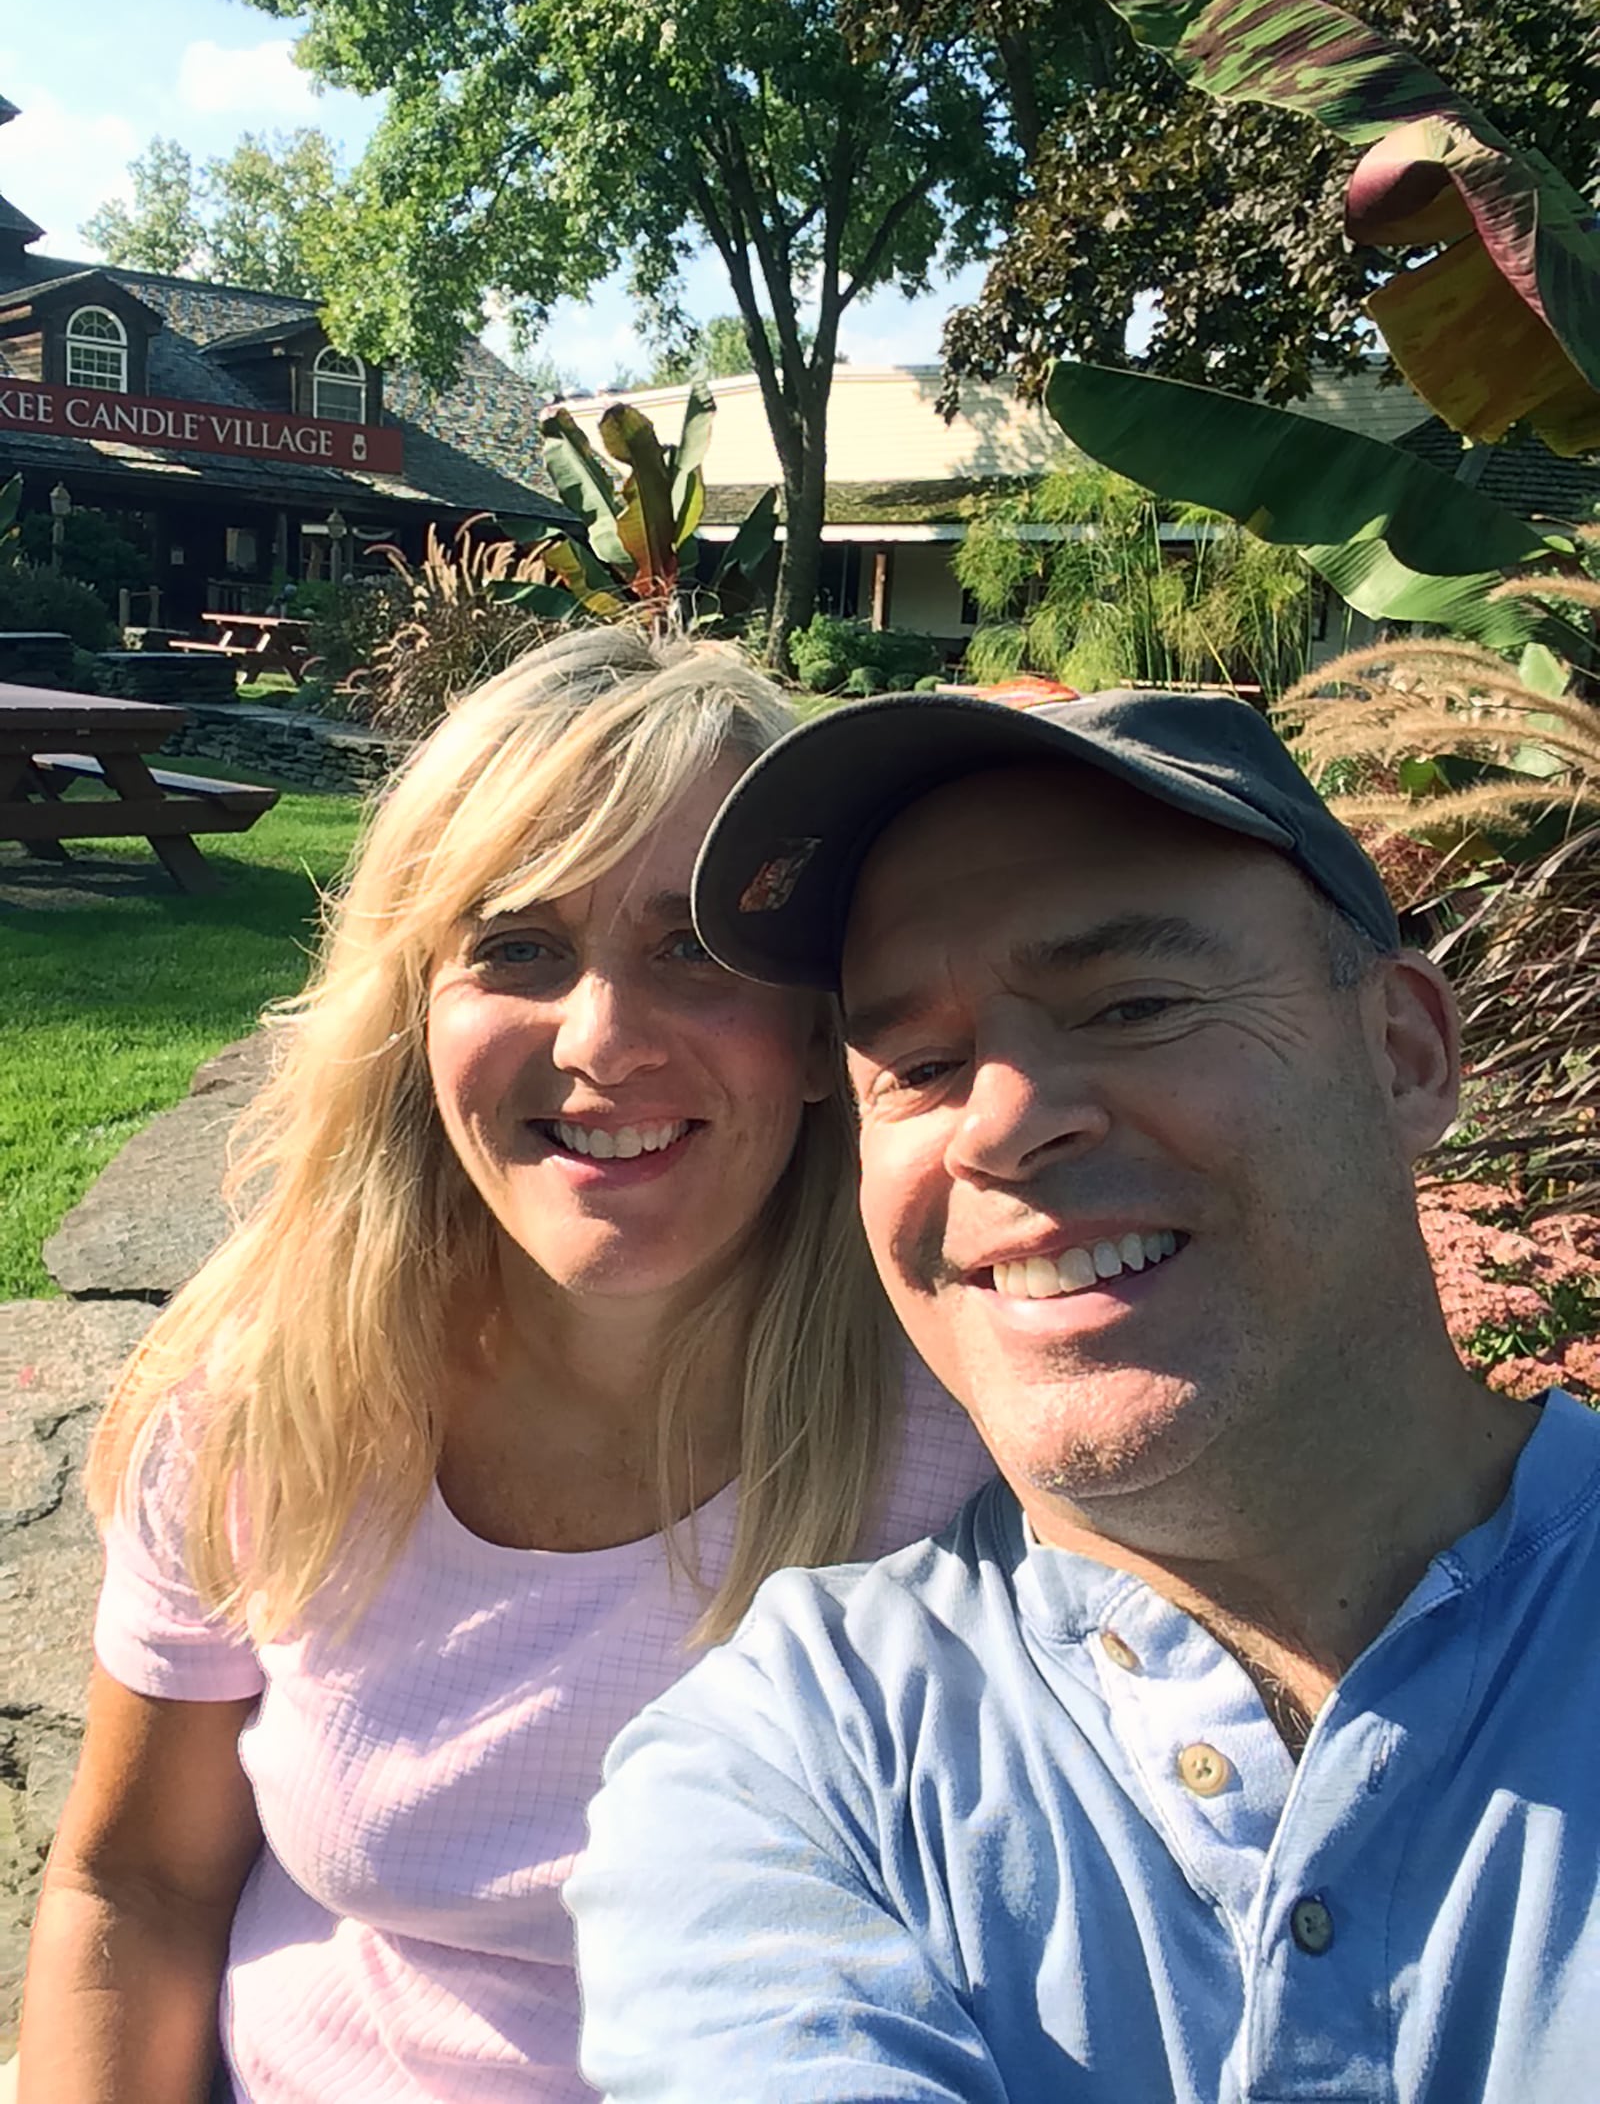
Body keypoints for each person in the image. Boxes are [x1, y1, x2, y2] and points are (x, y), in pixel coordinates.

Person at [568, 682, 1600, 2102]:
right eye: (917, 1065)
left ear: (1406, 1054)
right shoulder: (792, 1773)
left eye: (1132, 1002)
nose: (999, 1122)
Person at [12, 632, 991, 2104]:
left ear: (813, 1035)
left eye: (695, 950)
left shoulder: (970, 1428)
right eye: (518, 946)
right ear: (419, 1017)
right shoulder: (268, 1398)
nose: (603, 1040)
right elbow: (136, 1881)